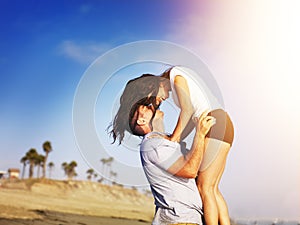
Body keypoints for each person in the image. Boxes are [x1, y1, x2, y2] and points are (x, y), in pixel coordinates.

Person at [109, 66, 234, 225]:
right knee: (213, 188)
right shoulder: (153, 143)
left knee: (205, 187)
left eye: (159, 99)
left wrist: (174, 139)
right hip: (222, 122)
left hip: (212, 122)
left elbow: (187, 111)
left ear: (152, 88)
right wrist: (178, 138)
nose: (164, 99)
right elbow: (188, 119)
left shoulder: (176, 75)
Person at [131, 103, 216, 225]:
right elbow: (190, 170)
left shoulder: (165, 141)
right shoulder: (153, 145)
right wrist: (200, 134)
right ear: (141, 120)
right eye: (145, 107)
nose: (152, 106)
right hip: (178, 220)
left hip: (185, 219)